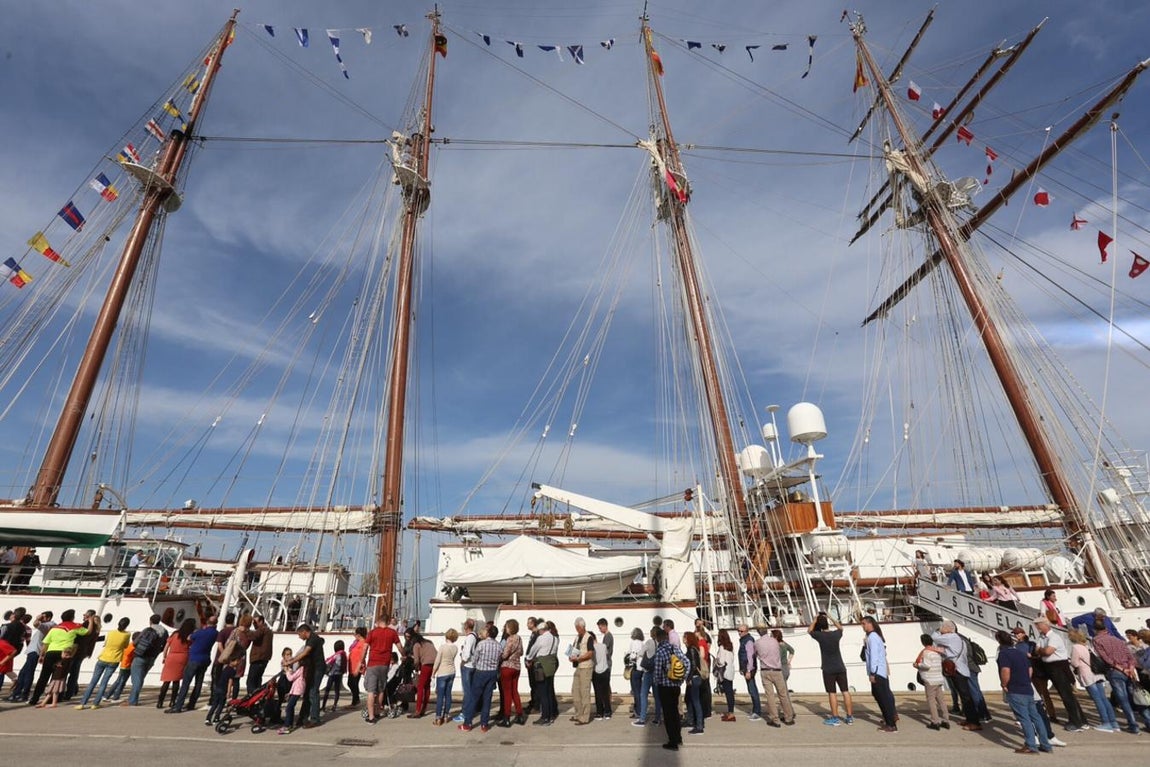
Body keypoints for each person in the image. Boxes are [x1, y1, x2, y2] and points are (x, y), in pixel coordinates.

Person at [996, 629, 1052, 753]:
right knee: (1036, 717)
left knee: (1024, 718)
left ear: (999, 641)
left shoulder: (1004, 654)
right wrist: (1026, 680)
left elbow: (1005, 671)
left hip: (1015, 688)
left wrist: (1004, 684)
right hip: (1027, 687)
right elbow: (1030, 669)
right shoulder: (1020, 652)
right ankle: (1045, 744)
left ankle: (1031, 745)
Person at [29, 608, 95, 706]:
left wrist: (42, 655)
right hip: (64, 654)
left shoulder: (55, 628)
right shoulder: (75, 626)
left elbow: (45, 643)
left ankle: (34, 698)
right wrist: (90, 621)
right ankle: (54, 698)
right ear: (72, 618)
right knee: (59, 677)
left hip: (51, 652)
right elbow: (88, 632)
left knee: (43, 677)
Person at [1033, 616, 1088, 731]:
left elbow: (1047, 651)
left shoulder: (1054, 637)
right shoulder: (1042, 637)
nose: (1037, 628)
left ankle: (1076, 722)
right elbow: (1037, 650)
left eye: (1038, 625)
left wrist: (1041, 651)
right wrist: (1042, 651)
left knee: (1066, 696)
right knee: (1066, 695)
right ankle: (1081, 721)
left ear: (1044, 625)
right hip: (1050, 667)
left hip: (1058, 667)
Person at [1092, 615, 1144, 734]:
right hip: (1128, 670)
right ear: (1106, 628)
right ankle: (1145, 720)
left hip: (1115, 671)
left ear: (1095, 630)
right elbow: (1130, 657)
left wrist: (1120, 668)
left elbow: (1106, 659)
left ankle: (1133, 725)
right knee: (1135, 698)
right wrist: (1130, 668)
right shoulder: (1119, 640)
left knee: (1123, 700)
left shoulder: (1097, 640)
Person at [932, 620, 981, 731]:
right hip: (961, 669)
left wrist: (937, 630)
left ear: (949, 629)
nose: (941, 630)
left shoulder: (951, 637)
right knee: (964, 696)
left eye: (943, 627)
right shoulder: (958, 639)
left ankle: (974, 722)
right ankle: (969, 719)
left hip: (957, 670)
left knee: (966, 697)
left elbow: (934, 637)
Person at [1067, 628, 1119, 732]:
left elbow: (1075, 663)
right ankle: (1114, 722)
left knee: (1097, 700)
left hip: (1087, 675)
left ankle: (1105, 722)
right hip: (1097, 674)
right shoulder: (1089, 646)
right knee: (1104, 699)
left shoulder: (1076, 647)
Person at [808, 611, 853, 726]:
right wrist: (830, 616)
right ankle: (849, 717)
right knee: (845, 691)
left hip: (828, 668)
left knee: (832, 693)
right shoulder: (836, 635)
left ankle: (835, 717)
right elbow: (840, 628)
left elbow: (809, 631)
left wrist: (814, 619)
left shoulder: (820, 636)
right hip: (840, 666)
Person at [76, 616, 131, 709]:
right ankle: (95, 704)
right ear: (126, 626)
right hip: (114, 659)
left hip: (103, 657)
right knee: (104, 683)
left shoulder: (111, 632)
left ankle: (82, 703)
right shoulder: (127, 634)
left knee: (93, 681)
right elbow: (125, 646)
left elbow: (106, 643)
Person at [167, 614, 218, 714]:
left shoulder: (200, 632)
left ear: (207, 622)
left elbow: (190, 638)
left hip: (194, 659)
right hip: (205, 658)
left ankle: (178, 706)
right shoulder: (215, 633)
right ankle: (192, 703)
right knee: (198, 682)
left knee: (186, 683)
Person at [459, 623, 500, 732]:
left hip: (481, 672)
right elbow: (500, 658)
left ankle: (467, 723)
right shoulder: (498, 645)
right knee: (487, 699)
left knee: (474, 697)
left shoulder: (481, 644)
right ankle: (484, 724)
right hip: (492, 672)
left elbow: (475, 659)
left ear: (489, 633)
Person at [653, 626, 688, 751]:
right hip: (676, 686)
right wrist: (682, 678)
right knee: (675, 713)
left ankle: (672, 742)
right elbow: (687, 663)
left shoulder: (660, 651)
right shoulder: (675, 648)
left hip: (665, 687)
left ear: (658, 639)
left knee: (668, 715)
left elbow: (657, 671)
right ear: (667, 638)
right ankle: (678, 738)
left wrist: (656, 683)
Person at [284, 623, 324, 728]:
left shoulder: (313, 639)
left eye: (299, 634)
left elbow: (304, 653)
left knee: (313, 692)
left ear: (304, 632)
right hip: (312, 669)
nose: (299, 636)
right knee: (308, 693)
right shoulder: (310, 639)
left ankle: (315, 719)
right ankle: (304, 717)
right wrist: (292, 660)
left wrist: (290, 662)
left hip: (317, 669)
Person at [753, 624, 794, 727]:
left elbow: (755, 654)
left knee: (770, 696)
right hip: (777, 670)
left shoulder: (757, 643)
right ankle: (788, 717)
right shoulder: (775, 642)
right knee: (783, 694)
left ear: (758, 632)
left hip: (765, 670)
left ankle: (775, 719)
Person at [363, 614, 400, 724]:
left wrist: (361, 660)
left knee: (371, 691)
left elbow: (365, 648)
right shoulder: (392, 633)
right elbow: (399, 646)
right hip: (385, 664)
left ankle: (371, 716)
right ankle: (378, 711)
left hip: (373, 663)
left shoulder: (372, 633)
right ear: (388, 622)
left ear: (378, 621)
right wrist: (404, 655)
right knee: (380, 690)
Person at [863, 616, 897, 732]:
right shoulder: (876, 636)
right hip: (881, 671)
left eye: (864, 624)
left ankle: (891, 724)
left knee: (882, 697)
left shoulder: (872, 637)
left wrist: (872, 673)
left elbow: (874, 657)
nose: (862, 626)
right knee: (882, 695)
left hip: (877, 672)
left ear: (869, 624)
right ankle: (890, 719)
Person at [126, 613, 166, 706]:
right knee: (141, 678)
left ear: (150, 621)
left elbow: (136, 642)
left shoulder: (147, 630)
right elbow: (164, 645)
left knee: (136, 679)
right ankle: (133, 698)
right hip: (152, 658)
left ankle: (132, 701)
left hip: (140, 656)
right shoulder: (164, 632)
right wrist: (157, 651)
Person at [157, 618, 195, 709]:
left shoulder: (175, 634)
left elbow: (167, 646)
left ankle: (160, 701)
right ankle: (172, 701)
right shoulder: (189, 636)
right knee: (176, 681)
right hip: (183, 657)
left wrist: (164, 657)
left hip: (172, 656)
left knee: (166, 680)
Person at [526, 620, 559, 726]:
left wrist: (528, 658)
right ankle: (551, 715)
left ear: (541, 630)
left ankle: (545, 717)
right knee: (549, 691)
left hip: (541, 666)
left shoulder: (541, 638)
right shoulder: (555, 638)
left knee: (543, 693)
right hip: (551, 666)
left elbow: (533, 650)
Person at [914, 633, 948, 730]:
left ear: (923, 642)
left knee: (931, 701)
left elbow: (926, 665)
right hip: (938, 679)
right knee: (941, 700)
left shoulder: (926, 652)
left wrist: (917, 665)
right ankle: (946, 720)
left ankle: (935, 721)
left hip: (930, 679)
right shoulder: (937, 652)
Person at [65, 609, 101, 699]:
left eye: (85, 615)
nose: (83, 616)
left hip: (76, 650)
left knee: (70, 671)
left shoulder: (86, 625)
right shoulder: (96, 628)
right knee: (74, 671)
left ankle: (69, 691)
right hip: (83, 651)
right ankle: (73, 689)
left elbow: (79, 636)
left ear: (89, 616)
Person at [568, 617, 595, 725]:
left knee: (584, 692)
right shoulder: (577, 637)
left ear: (581, 626)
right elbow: (573, 649)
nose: (576, 630)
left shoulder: (589, 637)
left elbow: (590, 653)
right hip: (578, 667)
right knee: (575, 691)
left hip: (586, 667)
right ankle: (578, 714)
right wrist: (570, 656)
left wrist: (578, 658)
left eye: (577, 627)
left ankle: (584, 717)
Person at [497, 619, 524, 726]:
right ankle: (520, 715)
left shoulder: (510, 639)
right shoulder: (519, 638)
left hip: (507, 667)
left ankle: (506, 717)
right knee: (514, 692)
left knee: (507, 693)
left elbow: (505, 654)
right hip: (517, 667)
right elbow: (521, 652)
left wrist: (500, 656)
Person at [407, 628, 436, 719]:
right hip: (434, 664)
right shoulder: (429, 642)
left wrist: (416, 668)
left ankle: (417, 711)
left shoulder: (416, 645)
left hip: (426, 665)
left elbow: (416, 660)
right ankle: (423, 709)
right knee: (427, 686)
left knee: (420, 687)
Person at [432, 628, 458, 725]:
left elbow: (437, 661)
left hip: (443, 672)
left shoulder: (443, 647)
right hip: (452, 671)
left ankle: (438, 717)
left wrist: (433, 672)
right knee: (448, 695)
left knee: (440, 696)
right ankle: (446, 715)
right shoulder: (455, 647)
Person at [736, 622, 762, 721]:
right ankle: (755, 709)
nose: (739, 633)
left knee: (752, 690)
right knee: (751, 689)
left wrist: (748, 670)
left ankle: (757, 712)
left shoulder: (748, 641)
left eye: (741, 631)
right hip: (746, 668)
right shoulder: (744, 640)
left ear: (747, 631)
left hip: (749, 669)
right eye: (738, 631)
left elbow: (750, 657)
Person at [454, 617, 478, 724]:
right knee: (470, 690)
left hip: (467, 666)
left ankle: (465, 712)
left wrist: (463, 661)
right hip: (472, 665)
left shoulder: (469, 637)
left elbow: (467, 652)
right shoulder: (475, 636)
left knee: (467, 691)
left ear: (466, 627)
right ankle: (470, 710)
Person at [278, 648, 305, 734]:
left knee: (289, 707)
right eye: (287, 654)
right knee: (290, 706)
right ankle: (289, 723)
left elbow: (290, 678)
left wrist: (287, 671)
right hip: (294, 689)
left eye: (290, 654)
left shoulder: (301, 668)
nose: (290, 656)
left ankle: (287, 726)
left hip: (296, 689)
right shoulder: (286, 663)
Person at [246, 614, 273, 694]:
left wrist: (245, 629)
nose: (254, 624)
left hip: (258, 658)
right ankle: (257, 698)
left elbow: (253, 636)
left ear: (261, 621)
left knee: (251, 681)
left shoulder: (262, 629)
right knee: (257, 680)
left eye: (255, 622)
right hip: (264, 658)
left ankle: (252, 698)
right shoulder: (268, 630)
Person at [683, 631, 704, 734]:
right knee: (689, 699)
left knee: (695, 701)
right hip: (693, 677)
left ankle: (699, 726)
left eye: (685, 637)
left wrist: (689, 678)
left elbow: (694, 665)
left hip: (694, 678)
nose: (683, 639)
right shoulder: (691, 649)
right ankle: (691, 720)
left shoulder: (691, 650)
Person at [714, 629, 737, 721]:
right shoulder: (730, 646)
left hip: (724, 672)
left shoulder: (722, 647)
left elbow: (721, 661)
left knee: (728, 693)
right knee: (730, 692)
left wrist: (717, 661)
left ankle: (731, 714)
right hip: (731, 670)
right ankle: (731, 711)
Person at [593, 617, 614, 719]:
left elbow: (606, 652)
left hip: (606, 665)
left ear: (605, 626)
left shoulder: (607, 637)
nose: (599, 630)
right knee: (605, 689)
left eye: (600, 627)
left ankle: (606, 709)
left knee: (604, 690)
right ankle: (607, 709)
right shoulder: (607, 636)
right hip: (606, 664)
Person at [321, 640, 347, 712]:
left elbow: (328, 662)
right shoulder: (344, 654)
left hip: (333, 674)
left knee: (327, 690)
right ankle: (334, 705)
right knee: (337, 690)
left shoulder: (337, 655)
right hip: (340, 674)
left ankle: (323, 706)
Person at [625, 627, 645, 721]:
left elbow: (633, 655)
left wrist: (627, 656)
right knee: (639, 690)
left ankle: (638, 711)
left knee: (635, 690)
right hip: (641, 669)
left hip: (635, 668)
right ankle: (640, 710)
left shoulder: (634, 642)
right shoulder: (642, 643)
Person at [346, 627, 367, 710]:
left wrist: (359, 667)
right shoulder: (356, 642)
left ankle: (355, 700)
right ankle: (355, 699)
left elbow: (363, 655)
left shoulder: (363, 643)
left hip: (357, 665)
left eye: (355, 634)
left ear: (358, 635)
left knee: (353, 683)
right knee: (351, 683)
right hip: (352, 665)